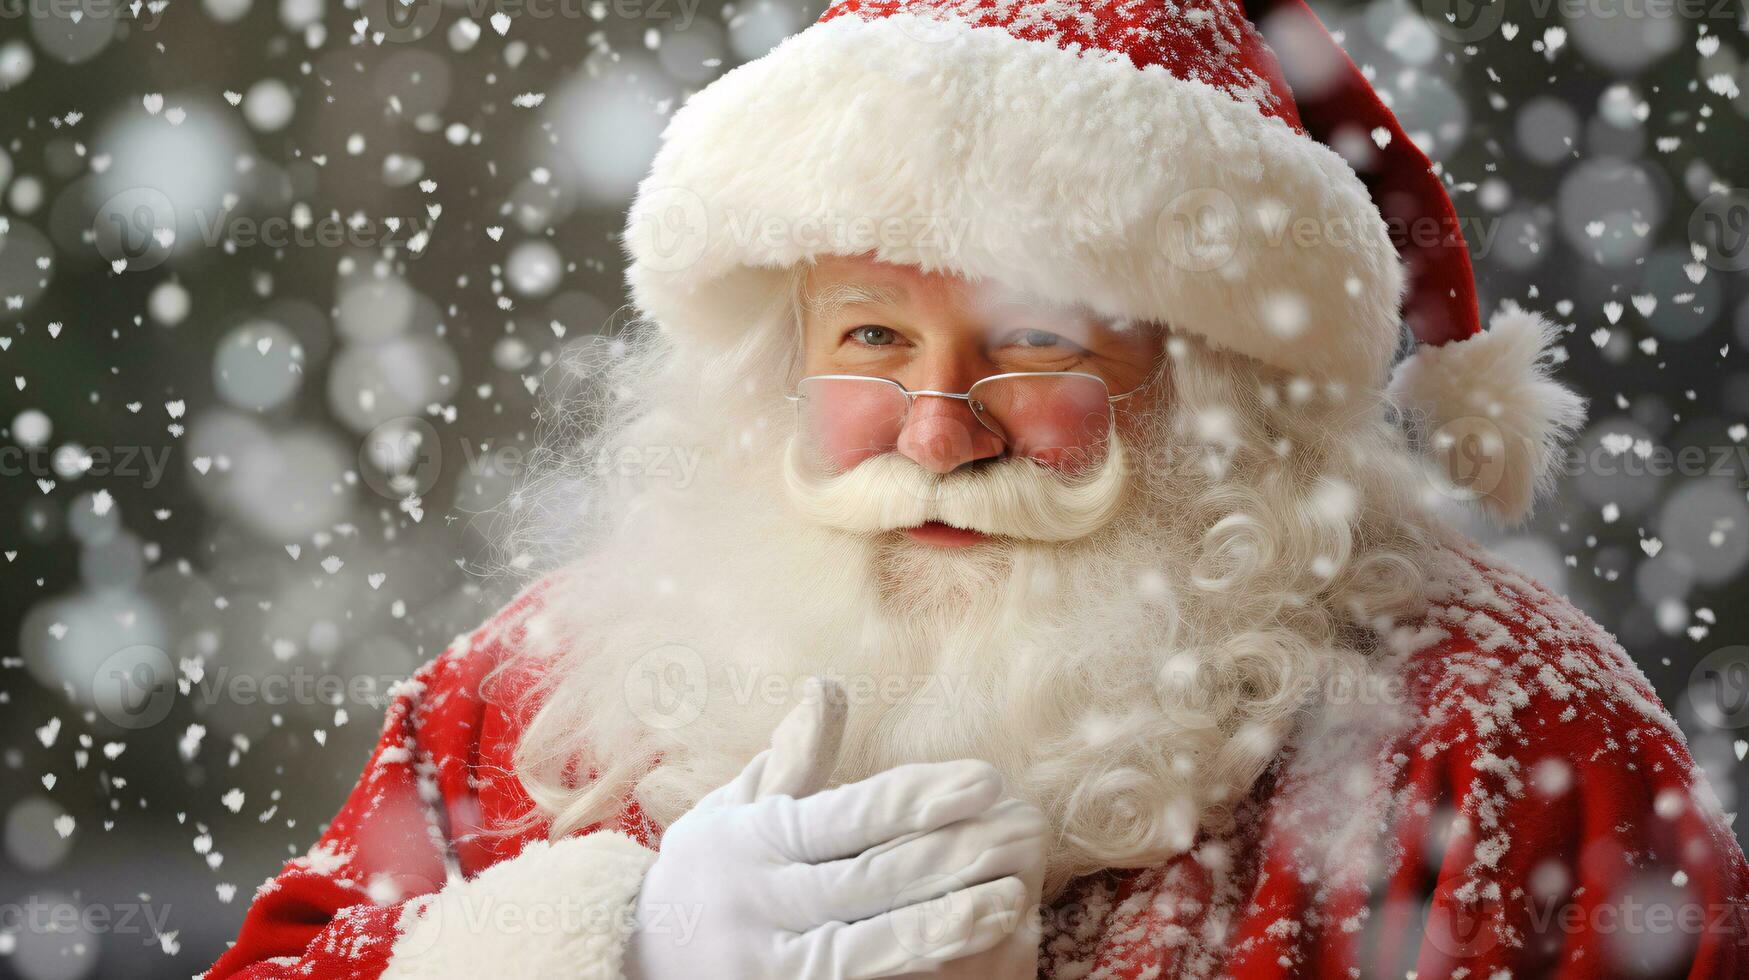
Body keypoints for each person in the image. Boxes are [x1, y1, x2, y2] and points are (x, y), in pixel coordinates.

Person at [206, 0, 1749, 976]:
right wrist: (611, 953)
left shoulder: (1498, 738)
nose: (936, 433)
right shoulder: (541, 699)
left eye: (1030, 345)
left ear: (1219, 387)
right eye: (873, 336)